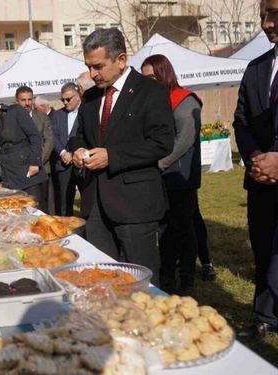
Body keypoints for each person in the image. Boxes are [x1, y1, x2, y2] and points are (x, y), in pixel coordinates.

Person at [70, 28, 174, 286]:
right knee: (102, 279)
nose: (92, 74)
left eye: (98, 66)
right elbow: (78, 135)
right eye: (88, 66)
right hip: (95, 204)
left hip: (135, 205)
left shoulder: (150, 91)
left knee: (141, 280)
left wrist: (112, 156)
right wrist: (78, 150)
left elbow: (162, 143)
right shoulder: (92, 97)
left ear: (121, 60)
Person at [233, 0, 278, 339]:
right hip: (261, 180)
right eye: (263, 14)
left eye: (274, 13)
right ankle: (265, 317)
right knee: (263, 249)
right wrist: (256, 158)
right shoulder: (256, 67)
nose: (266, 23)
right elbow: (242, 120)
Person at [141, 54, 203, 295]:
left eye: (152, 77)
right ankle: (167, 278)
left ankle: (187, 279)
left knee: (184, 229)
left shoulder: (185, 100)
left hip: (180, 176)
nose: (148, 82)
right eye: (145, 77)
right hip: (161, 176)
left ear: (163, 73)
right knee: (164, 230)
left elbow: (184, 140)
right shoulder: (155, 100)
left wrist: (161, 162)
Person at [15, 86, 54, 213]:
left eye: (30, 99)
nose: (27, 103)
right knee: (23, 208)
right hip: (20, 172)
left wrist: (36, 162)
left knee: (43, 207)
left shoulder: (42, 117)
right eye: (23, 100)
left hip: (42, 168)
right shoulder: (11, 119)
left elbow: (49, 141)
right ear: (17, 101)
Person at [52, 83, 83, 216]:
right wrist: (62, 152)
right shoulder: (57, 115)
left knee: (87, 201)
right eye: (62, 100)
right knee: (64, 202)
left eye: (68, 99)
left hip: (82, 165)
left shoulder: (87, 112)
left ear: (78, 96)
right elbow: (52, 136)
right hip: (63, 165)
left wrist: (74, 153)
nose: (65, 102)